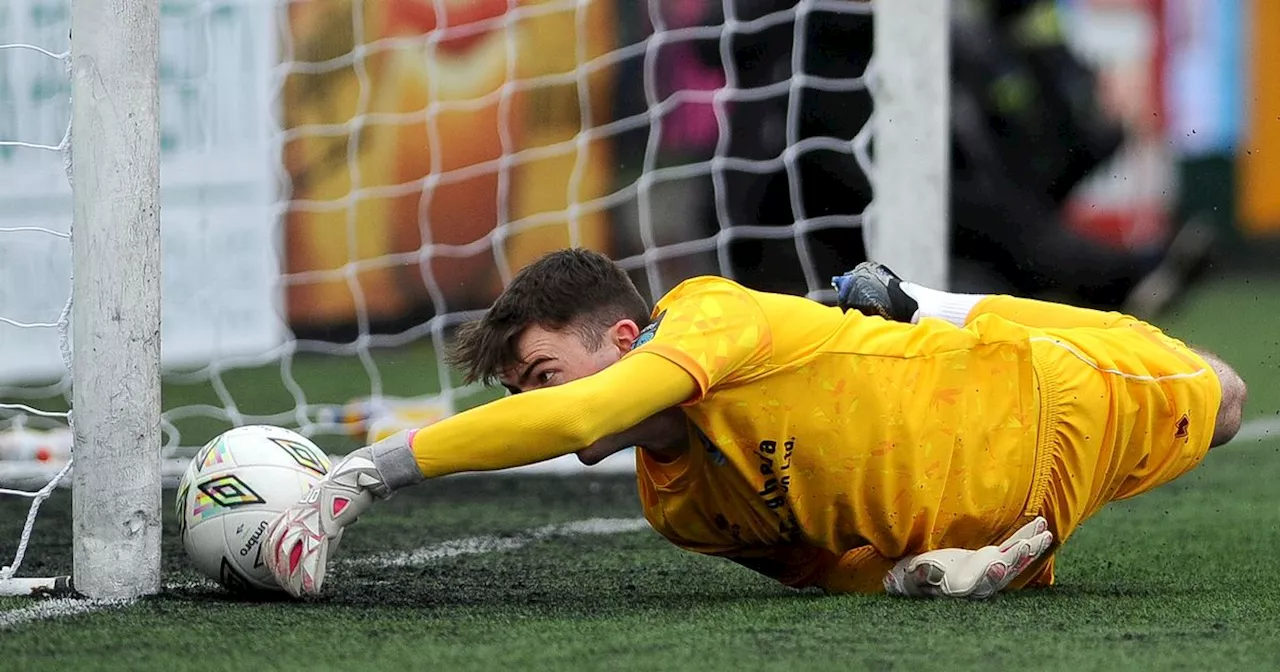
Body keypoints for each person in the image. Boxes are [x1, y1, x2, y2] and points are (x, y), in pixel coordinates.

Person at [262, 249, 1247, 599]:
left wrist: (369, 472)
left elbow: (595, 407)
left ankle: (917, 302)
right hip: (999, 534)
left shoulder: (707, 313)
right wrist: (900, 578)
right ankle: (906, 310)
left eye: (537, 374)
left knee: (1224, 395)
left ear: (620, 334)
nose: (533, 405)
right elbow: (826, 568)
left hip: (1035, 402)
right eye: (519, 392)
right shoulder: (677, 513)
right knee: (1216, 396)